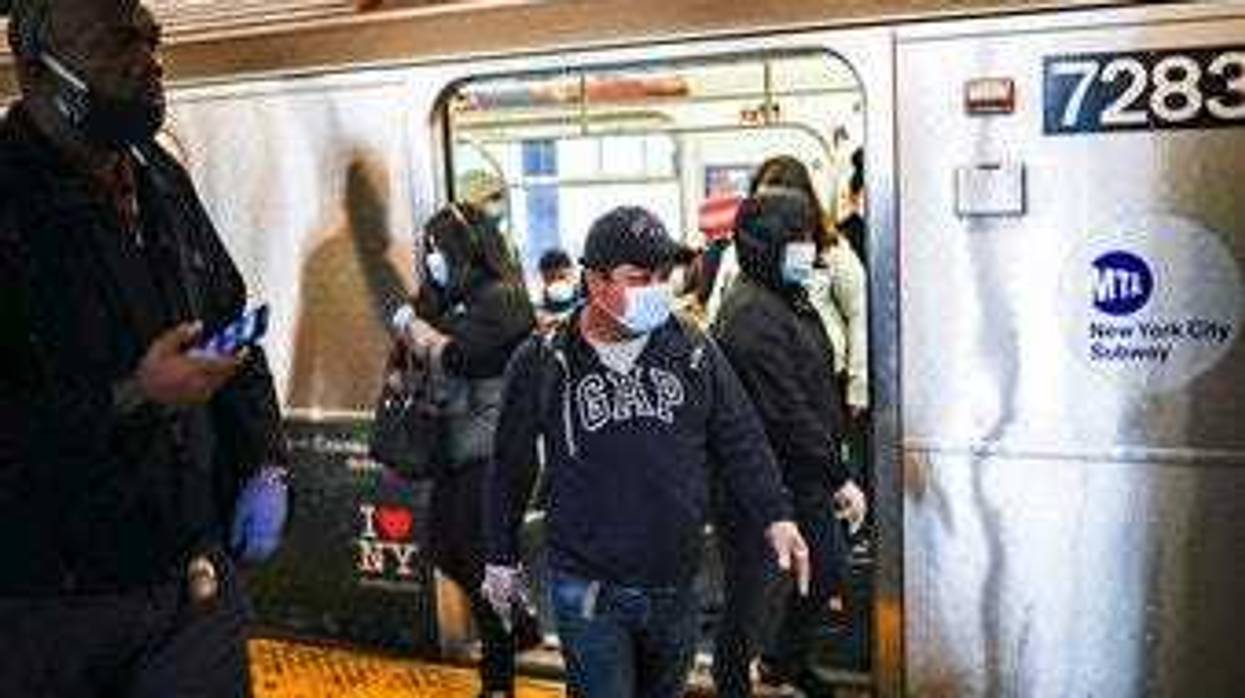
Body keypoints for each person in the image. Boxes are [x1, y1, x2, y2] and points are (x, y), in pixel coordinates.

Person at [0, 1, 290, 696]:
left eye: (153, 39)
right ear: (37, 66)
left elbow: (230, 324)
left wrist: (266, 460)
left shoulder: (159, 177)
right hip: (45, 606)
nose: (150, 61)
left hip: (191, 583)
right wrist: (136, 395)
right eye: (117, 40)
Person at [481, 205, 812, 698]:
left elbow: (738, 435)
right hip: (589, 587)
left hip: (675, 581)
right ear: (594, 281)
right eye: (639, 277)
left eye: (663, 275)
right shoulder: (545, 359)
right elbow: (510, 465)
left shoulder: (693, 350)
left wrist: (776, 516)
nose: (657, 288)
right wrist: (500, 557)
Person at [710, 193, 868, 697]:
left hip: (801, 469)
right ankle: (733, 680)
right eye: (797, 240)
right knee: (750, 591)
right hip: (761, 477)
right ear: (767, 246)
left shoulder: (787, 297)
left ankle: (784, 660)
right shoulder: (751, 313)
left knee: (824, 570)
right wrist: (838, 473)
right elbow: (785, 410)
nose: (808, 250)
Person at [393, 201, 538, 698]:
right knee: (445, 549)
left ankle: (499, 680)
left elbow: (456, 355)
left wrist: (414, 328)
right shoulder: (452, 299)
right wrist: (423, 313)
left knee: (480, 565)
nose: (432, 260)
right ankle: (517, 623)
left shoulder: (503, 299)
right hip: (455, 452)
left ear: (464, 249)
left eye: (437, 250)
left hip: (494, 455)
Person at [751, 154, 869, 421]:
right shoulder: (743, 251)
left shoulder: (830, 248)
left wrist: (859, 386)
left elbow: (860, 312)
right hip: (769, 381)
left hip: (826, 380)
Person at [535, 247, 581, 332]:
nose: (556, 283)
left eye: (561, 277)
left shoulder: (585, 300)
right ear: (544, 280)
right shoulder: (539, 311)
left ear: (572, 274)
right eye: (551, 279)